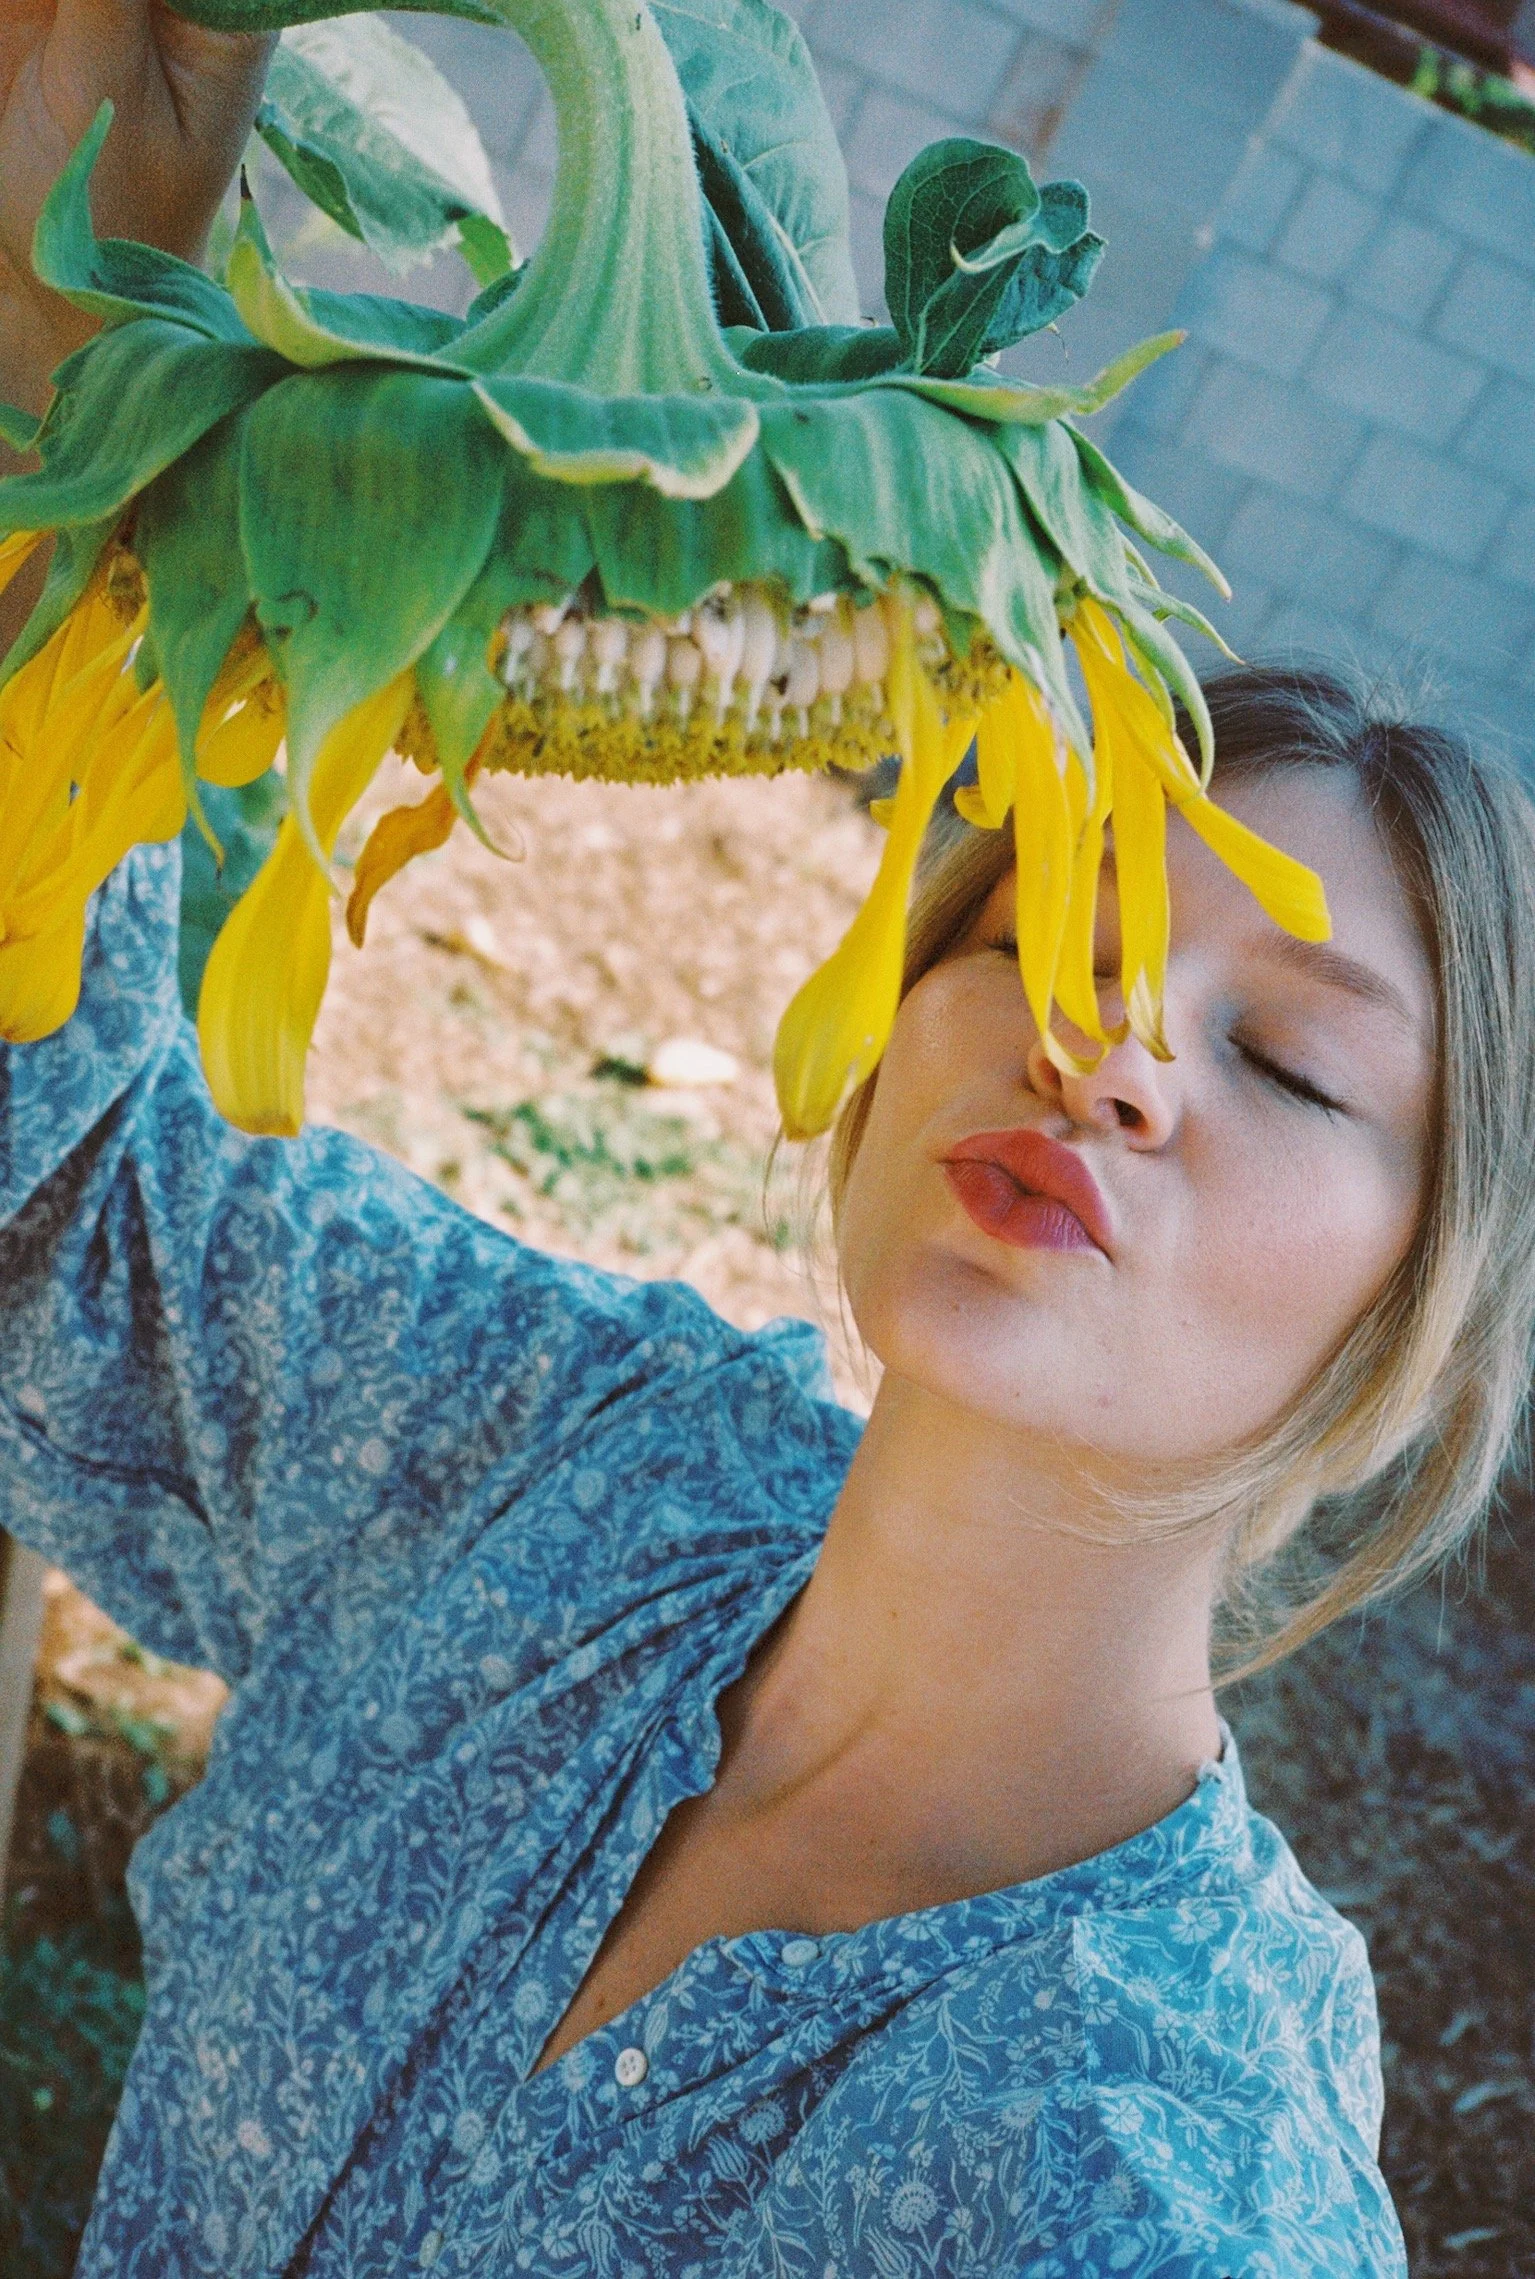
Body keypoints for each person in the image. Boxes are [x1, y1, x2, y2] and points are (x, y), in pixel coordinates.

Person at [4, 10, 1535, 2275]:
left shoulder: (1139, 2165)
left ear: (1430, 1298)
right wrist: (91, 237)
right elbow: (57, 1199)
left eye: (1290, 1060)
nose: (1104, 1047)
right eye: (1057, 925)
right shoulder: (554, 1465)